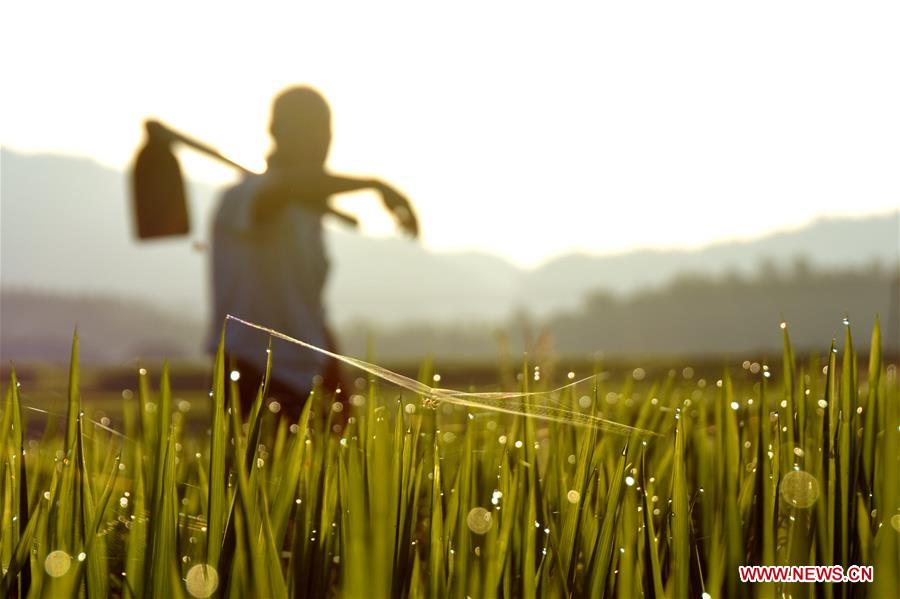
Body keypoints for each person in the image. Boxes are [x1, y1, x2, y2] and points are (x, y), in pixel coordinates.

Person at [208, 86, 418, 422]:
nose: (319, 142)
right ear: (275, 132)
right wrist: (375, 185)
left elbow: (306, 307)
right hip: (254, 375)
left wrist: (332, 366)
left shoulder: (307, 213)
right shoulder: (245, 199)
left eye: (324, 131)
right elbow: (288, 186)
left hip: (307, 375)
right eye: (306, 131)